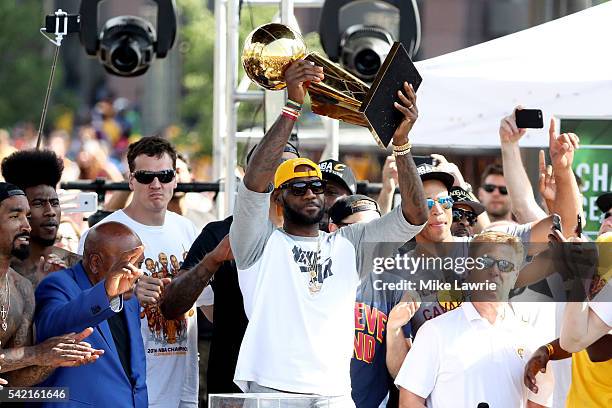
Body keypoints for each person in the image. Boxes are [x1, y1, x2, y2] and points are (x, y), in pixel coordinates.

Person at [229, 57, 427, 403]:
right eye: (298, 187)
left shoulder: (349, 243)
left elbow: (415, 216)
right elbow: (253, 184)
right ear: (278, 198)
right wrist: (292, 105)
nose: (310, 192)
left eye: (316, 187)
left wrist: (402, 143)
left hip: (333, 393)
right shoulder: (257, 243)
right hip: (274, 391)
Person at [78, 136, 210, 408]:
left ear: (175, 178)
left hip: (181, 384)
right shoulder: (103, 234)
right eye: (146, 176)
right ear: (131, 180)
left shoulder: (188, 230)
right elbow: (79, 309)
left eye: (164, 175)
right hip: (124, 387)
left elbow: (208, 304)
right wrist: (125, 292)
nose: (156, 184)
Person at [160, 143, 300, 396]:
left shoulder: (319, 237)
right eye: (273, 164)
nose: (283, 175)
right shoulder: (219, 234)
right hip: (233, 383)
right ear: (250, 174)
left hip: (299, 384)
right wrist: (212, 261)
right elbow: (172, 305)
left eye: (291, 167)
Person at [396, 231, 553, 408]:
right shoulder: (434, 332)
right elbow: (409, 402)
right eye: (485, 262)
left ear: (515, 274)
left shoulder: (531, 338)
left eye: (505, 265)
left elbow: (539, 403)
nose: (494, 271)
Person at [34, 222, 147, 407]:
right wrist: (106, 293)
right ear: (95, 263)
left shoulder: (130, 298)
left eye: (140, 264)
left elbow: (133, 372)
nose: (137, 273)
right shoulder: (58, 284)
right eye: (128, 266)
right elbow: (52, 326)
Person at [0, 182, 100, 387]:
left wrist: (56, 355)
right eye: (14, 216)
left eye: (27, 216)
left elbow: (15, 380)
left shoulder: (23, 289)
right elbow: (31, 355)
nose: (26, 226)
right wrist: (37, 353)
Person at [327, 195, 418, 408]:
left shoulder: (393, 284)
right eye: (363, 230)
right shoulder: (314, 280)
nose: (374, 238)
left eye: (379, 230)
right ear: (333, 229)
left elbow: (402, 374)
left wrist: (395, 327)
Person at [2, 149, 81, 288]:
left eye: (55, 203)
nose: (50, 212)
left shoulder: (79, 268)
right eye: (38, 203)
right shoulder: (5, 271)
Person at [318, 158, 357, 231]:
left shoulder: (359, 238)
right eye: (316, 189)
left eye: (331, 192)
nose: (320, 197)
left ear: (350, 200)